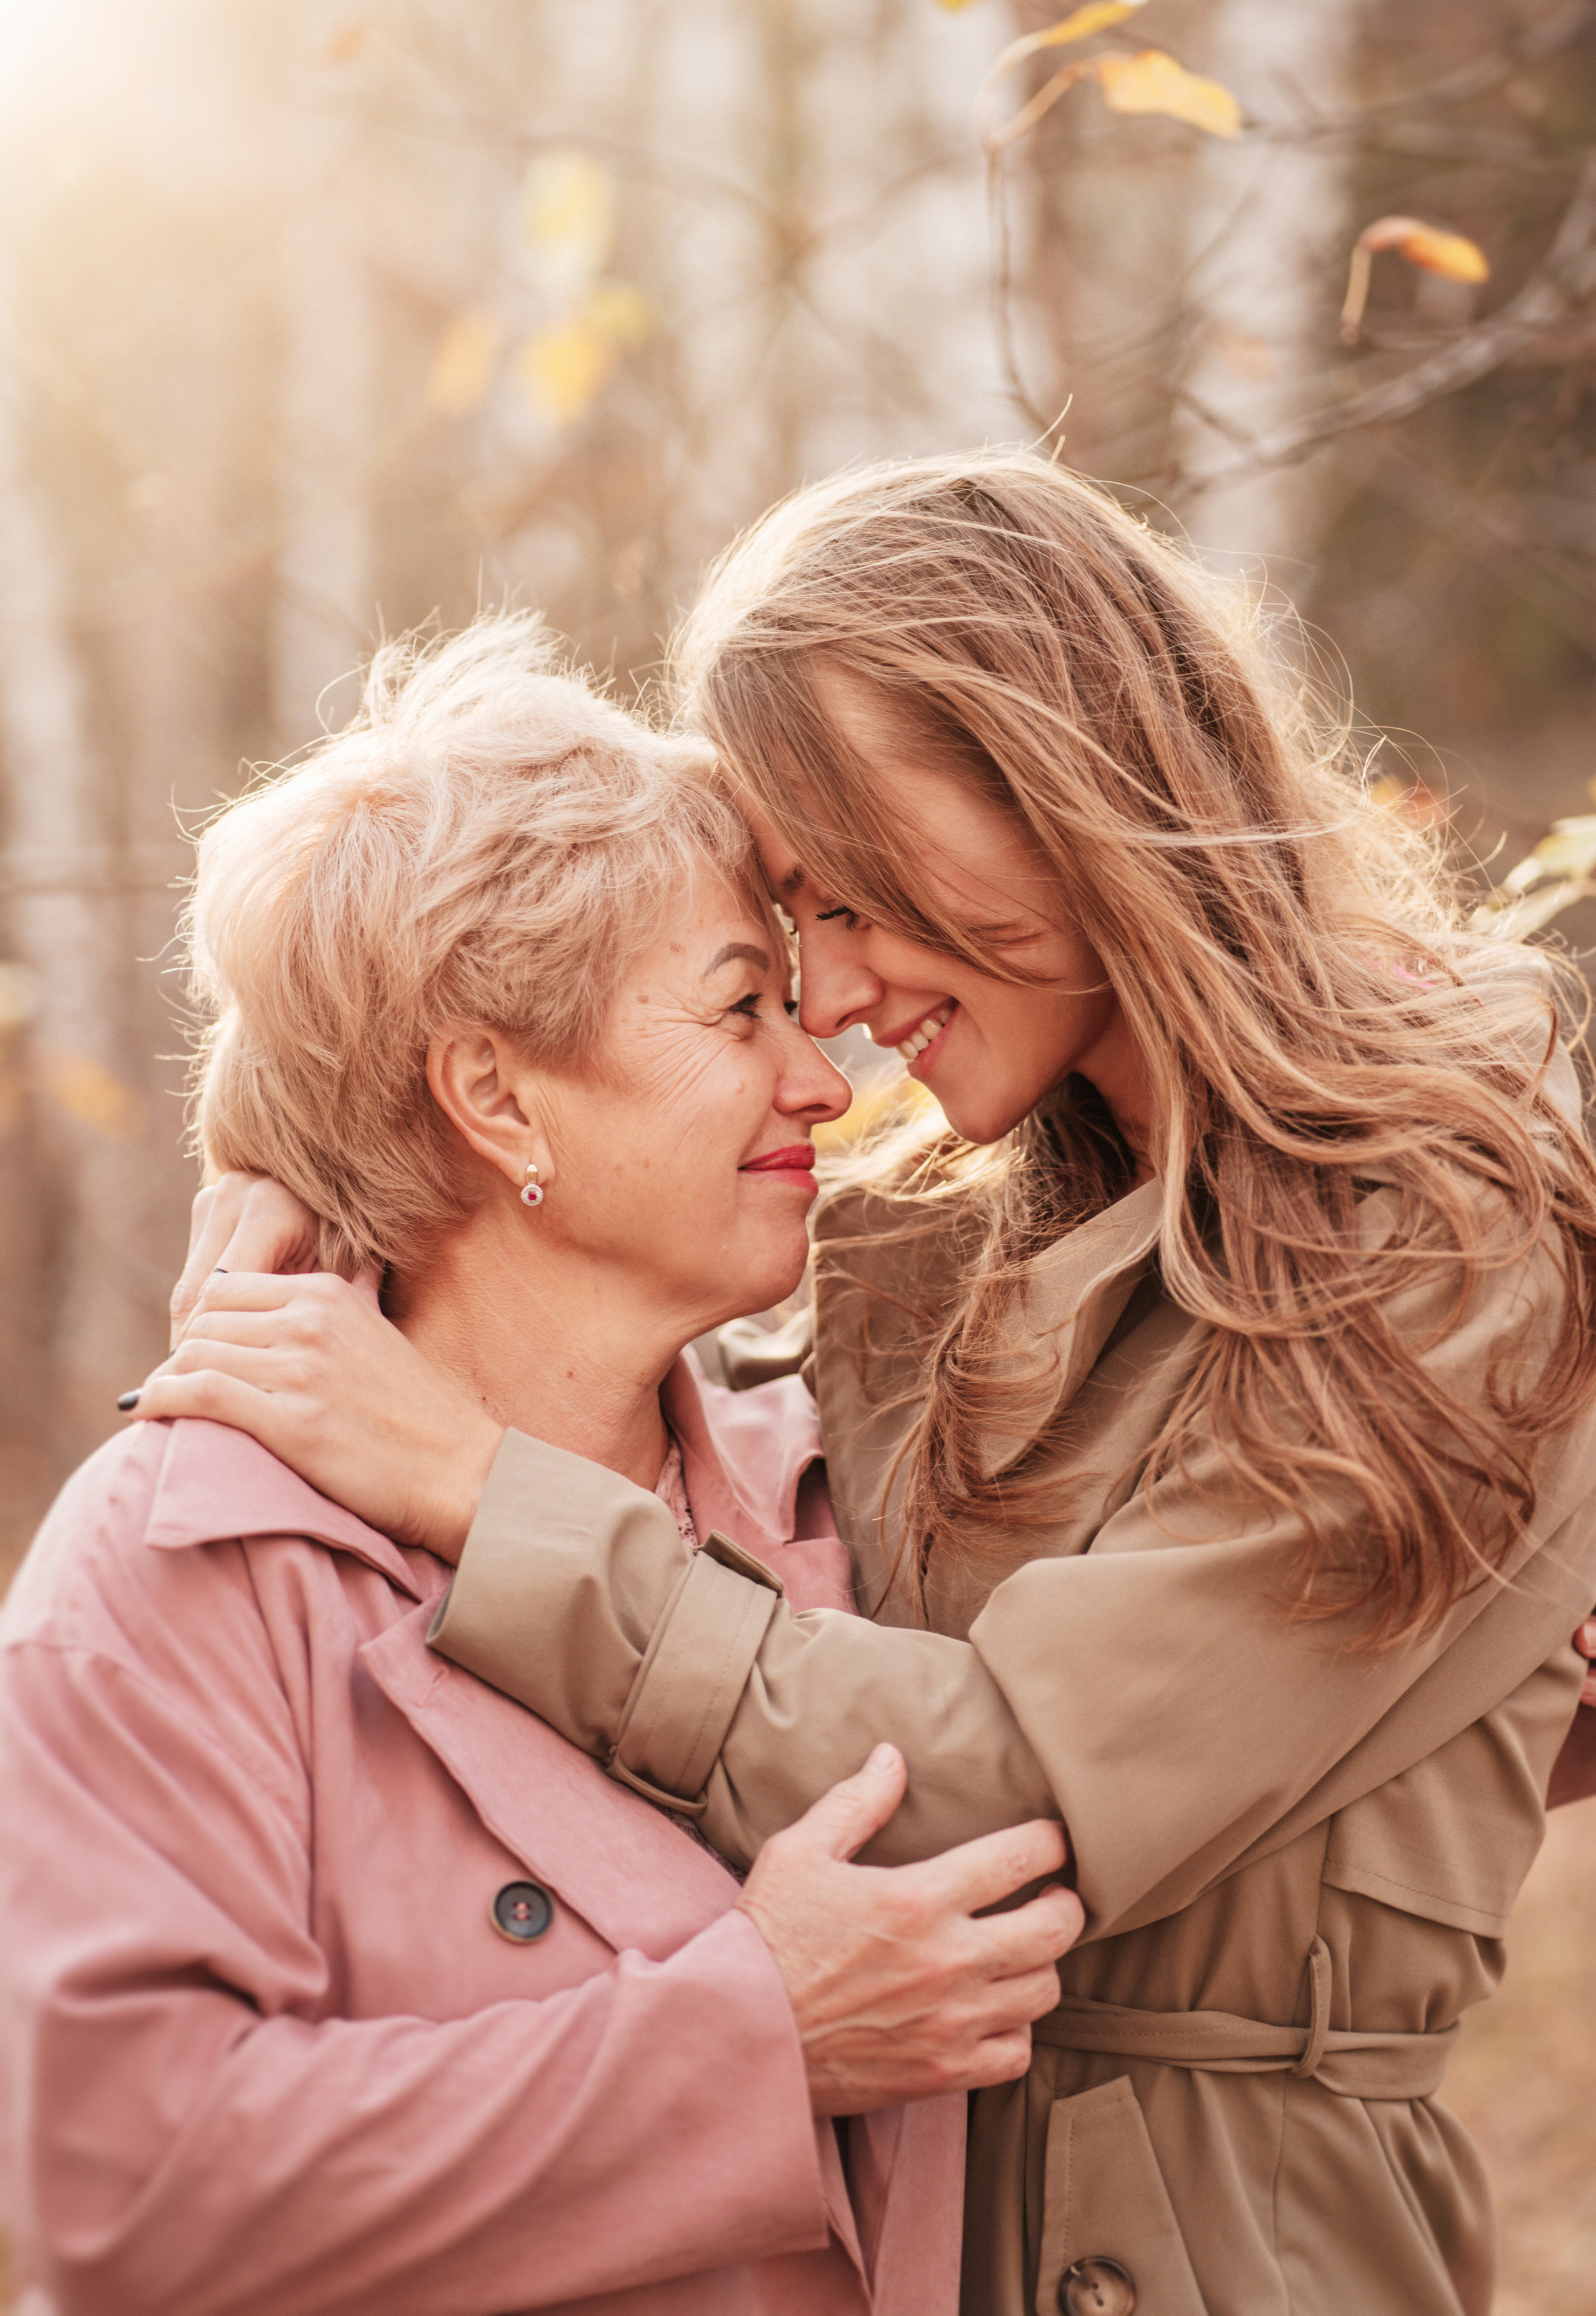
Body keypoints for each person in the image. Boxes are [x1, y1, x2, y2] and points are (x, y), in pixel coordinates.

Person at [137, 458, 1596, 2316]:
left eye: (853, 894)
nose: (827, 996)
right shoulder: (947, 1222)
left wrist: (473, 1488)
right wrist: (296, 1185)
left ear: (1058, 772)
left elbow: (1005, 1790)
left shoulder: (1443, 1222)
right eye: (788, 924)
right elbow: (694, 1455)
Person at [0, 615, 1085, 2316]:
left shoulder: (851, 1479)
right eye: (742, 1008)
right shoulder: (183, 1562)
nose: (823, 1077)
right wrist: (757, 2038)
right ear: (499, 1100)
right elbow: (135, 2199)